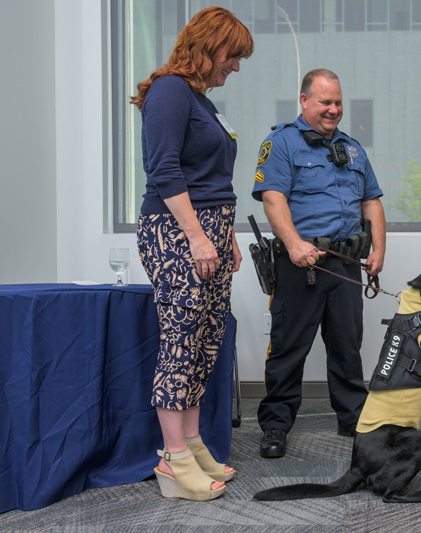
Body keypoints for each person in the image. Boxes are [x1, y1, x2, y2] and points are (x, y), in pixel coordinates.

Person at [130, 6, 253, 501]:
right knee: (181, 341)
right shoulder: (170, 90)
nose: (236, 67)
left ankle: (195, 443)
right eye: (233, 55)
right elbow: (163, 169)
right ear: (208, 45)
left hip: (209, 231)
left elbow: (213, 181)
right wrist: (199, 236)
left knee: (205, 339)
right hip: (176, 231)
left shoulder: (200, 99)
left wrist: (227, 236)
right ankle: (173, 461)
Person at [251, 69, 386, 458]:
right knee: (289, 347)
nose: (333, 110)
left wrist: (378, 248)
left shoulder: (353, 148)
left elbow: (371, 200)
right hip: (301, 263)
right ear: (304, 100)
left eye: (338, 102)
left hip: (345, 262)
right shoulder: (281, 143)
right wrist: (292, 244)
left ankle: (352, 418)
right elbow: (272, 197)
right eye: (325, 102)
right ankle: (276, 424)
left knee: (347, 345)